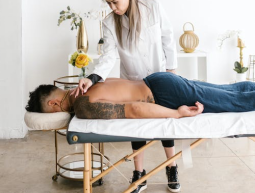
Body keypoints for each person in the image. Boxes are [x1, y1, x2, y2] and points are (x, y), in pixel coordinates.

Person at [71, 0, 179, 193]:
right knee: (136, 126)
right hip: (132, 80)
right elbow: (108, 56)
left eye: (115, 2)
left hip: (160, 76)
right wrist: (91, 78)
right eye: (108, 2)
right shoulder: (109, 22)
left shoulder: (153, 6)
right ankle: (139, 173)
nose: (112, 7)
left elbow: (168, 37)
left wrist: (172, 70)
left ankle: (172, 167)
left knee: (166, 121)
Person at [26, 72, 255, 123]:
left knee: (233, 102)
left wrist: (176, 113)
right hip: (157, 80)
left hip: (163, 93)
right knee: (230, 91)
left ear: (53, 103)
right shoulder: (88, 84)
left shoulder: (83, 105)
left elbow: (133, 109)